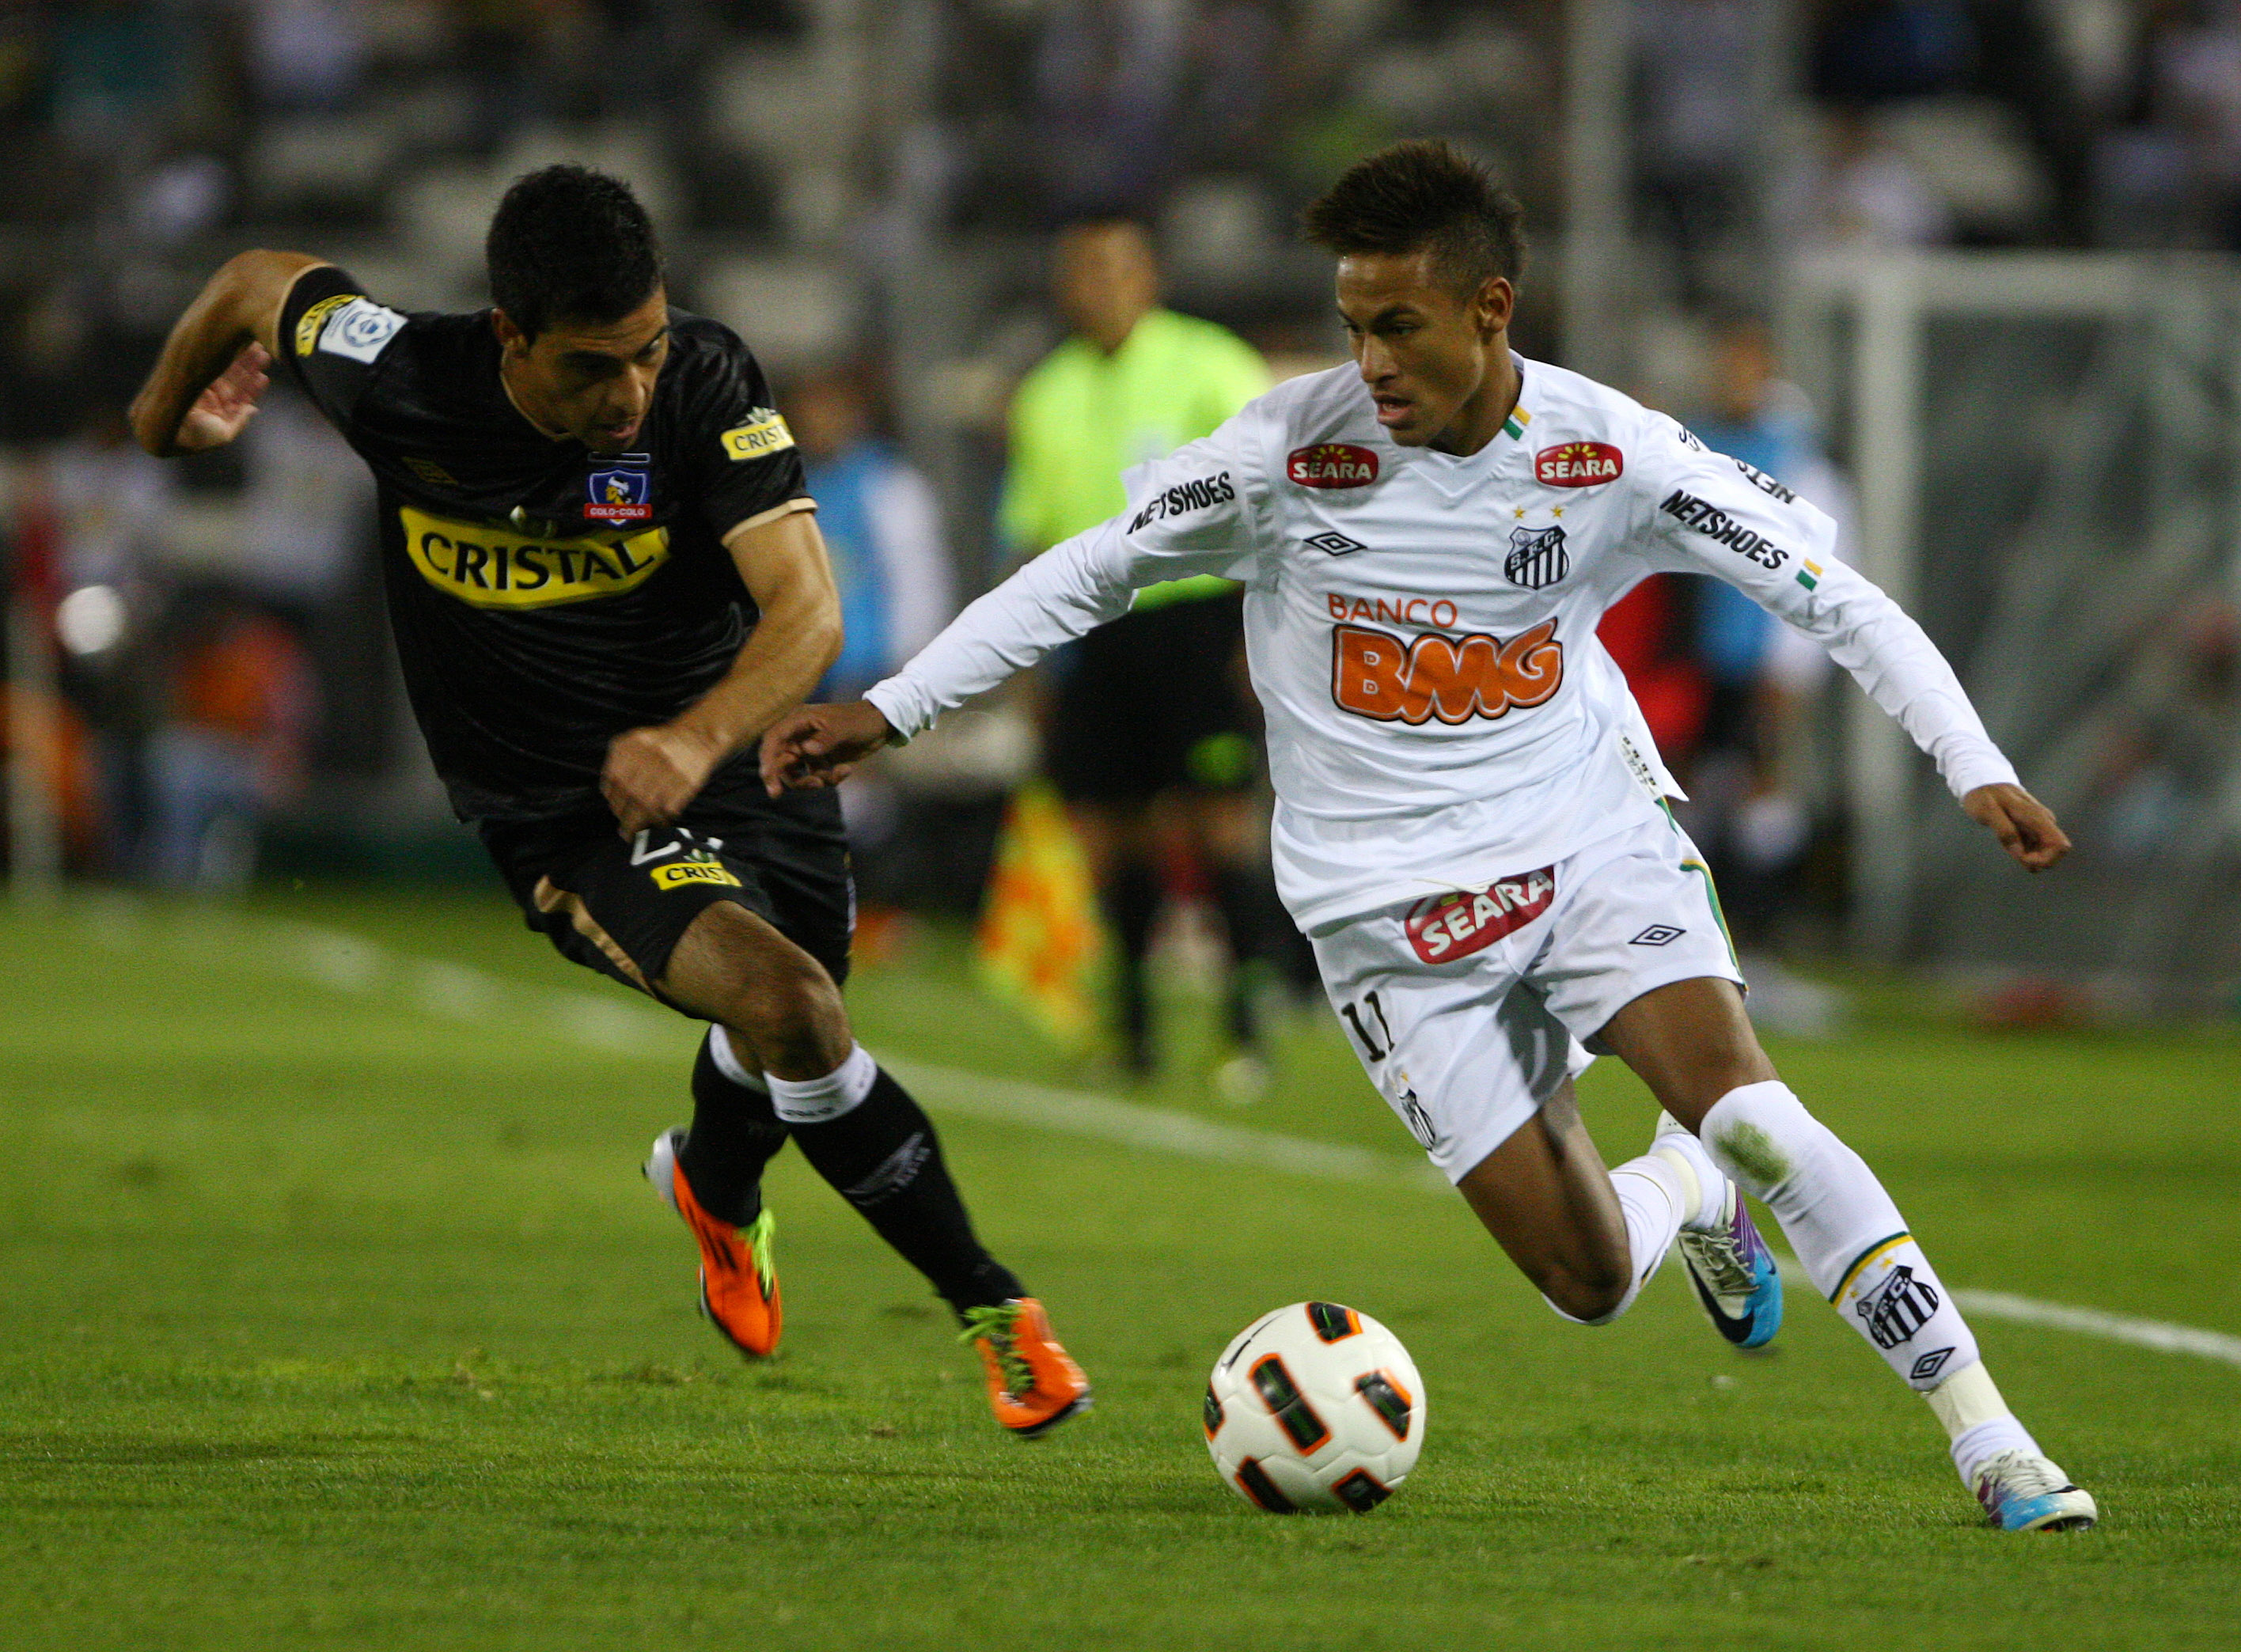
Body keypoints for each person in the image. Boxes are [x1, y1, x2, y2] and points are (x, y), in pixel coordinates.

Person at [763, 142, 2095, 1529]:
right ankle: (1685, 1187)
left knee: (1755, 1108)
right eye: (1352, 326)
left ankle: (1991, 1440)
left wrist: (1971, 763)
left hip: (1581, 840)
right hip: (1380, 912)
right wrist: (897, 706)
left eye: (1397, 326)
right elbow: (1088, 570)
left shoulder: (1609, 452)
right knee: (1584, 1281)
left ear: (1489, 308)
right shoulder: (1290, 451)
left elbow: (1837, 599)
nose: (1370, 360)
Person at [124, 164, 1088, 1438]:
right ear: (511, 338)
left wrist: (695, 741)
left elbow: (806, 609)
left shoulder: (703, 381)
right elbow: (257, 284)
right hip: (565, 813)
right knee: (791, 1008)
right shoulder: (402, 377)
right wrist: (163, 420)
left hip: (729, 752)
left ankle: (712, 1185)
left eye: (646, 348)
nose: (631, 391)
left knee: (789, 1020)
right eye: (594, 366)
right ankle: (998, 1316)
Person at [1003, 214, 1304, 1083]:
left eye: (1113, 267)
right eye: (1082, 269)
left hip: (1198, 617)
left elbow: (1272, 500)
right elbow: (1028, 535)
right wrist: (1031, 667)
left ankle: (1249, 1031)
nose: (1097, 284)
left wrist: (1263, 631)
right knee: (1109, 832)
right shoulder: (1044, 392)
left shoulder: (1212, 365)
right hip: (1096, 629)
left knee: (1221, 827)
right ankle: (1134, 1037)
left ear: (1149, 276)